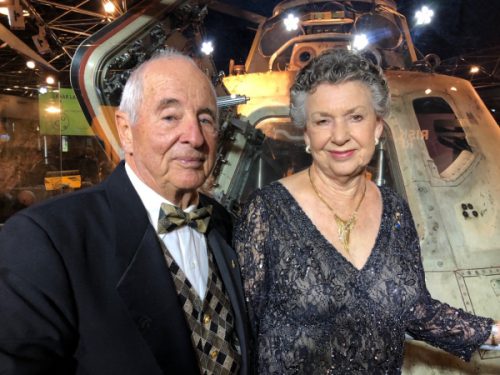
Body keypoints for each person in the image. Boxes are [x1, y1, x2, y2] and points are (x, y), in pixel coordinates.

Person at [234, 49, 498, 374]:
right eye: (323, 120)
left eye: (356, 117)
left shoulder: (395, 212)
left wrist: (493, 333)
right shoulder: (265, 213)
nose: (341, 135)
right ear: (306, 133)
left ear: (377, 127)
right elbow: (243, 331)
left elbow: (415, 308)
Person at [0, 49, 250, 375]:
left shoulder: (225, 225)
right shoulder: (46, 240)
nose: (194, 137)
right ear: (126, 130)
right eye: (170, 117)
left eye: (205, 119)